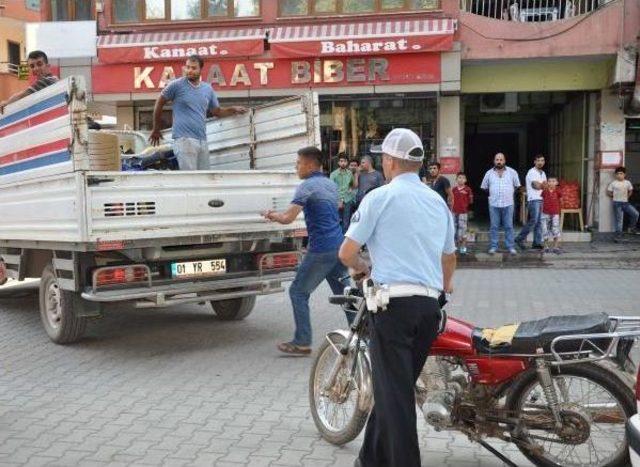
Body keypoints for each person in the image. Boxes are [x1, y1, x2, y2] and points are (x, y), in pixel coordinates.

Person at [339, 128, 456, 467]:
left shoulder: (379, 197)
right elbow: (449, 257)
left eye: (383, 158)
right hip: (428, 309)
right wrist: (445, 286)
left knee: (396, 395)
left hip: (393, 308)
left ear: (389, 161)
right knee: (393, 389)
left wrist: (364, 269)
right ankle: (370, 459)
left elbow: (346, 252)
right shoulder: (437, 201)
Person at [262, 146, 352, 355]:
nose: (296, 167)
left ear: (310, 165)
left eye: (298, 163)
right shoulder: (329, 183)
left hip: (321, 250)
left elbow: (288, 218)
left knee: (298, 292)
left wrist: (270, 214)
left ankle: (302, 341)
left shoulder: (307, 186)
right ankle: (363, 333)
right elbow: (337, 206)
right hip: (338, 246)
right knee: (346, 294)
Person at [149, 54, 246, 170]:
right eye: (188, 67)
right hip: (184, 140)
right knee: (190, 180)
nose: (189, 70)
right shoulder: (176, 85)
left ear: (201, 69)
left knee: (204, 179)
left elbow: (217, 111)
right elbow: (159, 103)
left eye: (193, 68)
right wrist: (156, 128)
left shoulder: (207, 89)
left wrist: (233, 109)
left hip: (202, 140)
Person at [480, 153, 521, 255]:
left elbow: (517, 186)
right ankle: (494, 246)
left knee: (509, 226)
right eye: (497, 160)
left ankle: (510, 247)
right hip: (494, 204)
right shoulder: (488, 173)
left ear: (504, 161)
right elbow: (484, 187)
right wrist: (493, 193)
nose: (499, 161)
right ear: (494, 161)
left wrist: (508, 192)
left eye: (501, 159)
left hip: (508, 203)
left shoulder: (512, 172)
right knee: (494, 226)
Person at [515, 154, 547, 250]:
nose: (540, 162)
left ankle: (537, 242)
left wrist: (542, 185)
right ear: (535, 162)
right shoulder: (531, 172)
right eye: (538, 160)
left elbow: (545, 186)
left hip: (541, 199)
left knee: (539, 222)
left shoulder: (543, 173)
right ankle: (519, 238)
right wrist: (543, 185)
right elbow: (535, 186)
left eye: (542, 160)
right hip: (534, 199)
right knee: (533, 220)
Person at [607, 166, 639, 238]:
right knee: (619, 220)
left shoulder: (627, 182)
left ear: (625, 174)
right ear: (615, 175)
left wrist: (627, 196)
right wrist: (614, 196)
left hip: (625, 203)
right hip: (617, 203)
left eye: (621, 173)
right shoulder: (613, 183)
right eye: (617, 174)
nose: (619, 175)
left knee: (636, 214)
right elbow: (608, 192)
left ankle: (631, 228)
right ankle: (619, 234)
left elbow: (631, 190)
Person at [330, 154, 356, 233]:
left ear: (347, 162)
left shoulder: (350, 173)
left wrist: (351, 189)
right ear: (338, 163)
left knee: (346, 222)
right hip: (337, 201)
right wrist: (339, 200)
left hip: (347, 200)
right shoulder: (333, 174)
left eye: (345, 161)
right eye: (341, 161)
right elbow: (331, 189)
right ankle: (336, 240)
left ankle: (344, 241)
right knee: (336, 221)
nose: (343, 163)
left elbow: (352, 185)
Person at [452, 172, 474, 254]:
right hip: (454, 212)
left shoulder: (468, 189)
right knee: (454, 230)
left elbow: (470, 201)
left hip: (463, 212)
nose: (461, 179)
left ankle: (463, 248)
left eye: (463, 178)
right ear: (456, 179)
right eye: (459, 178)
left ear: (465, 180)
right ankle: (454, 248)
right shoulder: (453, 189)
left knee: (463, 230)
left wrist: (465, 206)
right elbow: (451, 200)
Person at [541, 177, 563, 254]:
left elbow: (561, 200)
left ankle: (555, 247)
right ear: (547, 183)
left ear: (557, 183)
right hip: (545, 213)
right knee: (544, 229)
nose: (551, 183)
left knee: (555, 229)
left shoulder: (558, 191)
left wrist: (558, 210)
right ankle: (545, 246)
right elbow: (543, 200)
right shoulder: (545, 191)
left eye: (553, 181)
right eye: (549, 181)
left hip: (555, 213)